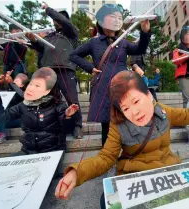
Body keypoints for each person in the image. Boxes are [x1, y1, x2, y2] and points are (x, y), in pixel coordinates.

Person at [55, 71, 189, 208]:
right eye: (125, 108)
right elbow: (105, 158)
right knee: (107, 201)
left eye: (136, 101)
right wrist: (76, 173)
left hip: (169, 175)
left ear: (148, 95)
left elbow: (185, 115)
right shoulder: (118, 125)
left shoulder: (162, 111)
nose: (135, 111)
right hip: (136, 180)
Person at [70, 4, 151, 145]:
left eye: (119, 18)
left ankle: (128, 153)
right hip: (103, 88)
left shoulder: (123, 43)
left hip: (123, 87)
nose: (117, 20)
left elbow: (141, 49)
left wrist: (144, 32)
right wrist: (90, 68)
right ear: (101, 21)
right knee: (107, 125)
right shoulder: (94, 42)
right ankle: (107, 157)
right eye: (112, 16)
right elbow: (74, 55)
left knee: (127, 120)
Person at [0, 67, 79, 155]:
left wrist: (67, 117)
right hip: (29, 151)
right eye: (31, 84)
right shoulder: (23, 105)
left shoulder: (59, 105)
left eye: (37, 86)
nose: (32, 88)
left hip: (52, 151)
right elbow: (1, 116)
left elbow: (67, 130)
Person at [26, 2, 82, 139]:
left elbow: (64, 21)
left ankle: (77, 126)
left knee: (72, 99)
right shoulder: (49, 36)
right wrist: (33, 40)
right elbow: (41, 47)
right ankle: (54, 126)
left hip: (66, 70)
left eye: (59, 18)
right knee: (50, 101)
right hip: (48, 72)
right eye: (54, 18)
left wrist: (48, 10)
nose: (56, 20)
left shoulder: (71, 33)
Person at [173, 25, 189, 108]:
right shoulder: (178, 49)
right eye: (188, 34)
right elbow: (176, 60)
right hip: (184, 76)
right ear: (182, 37)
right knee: (187, 98)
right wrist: (187, 55)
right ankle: (186, 119)